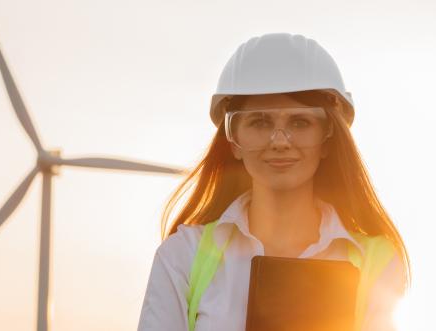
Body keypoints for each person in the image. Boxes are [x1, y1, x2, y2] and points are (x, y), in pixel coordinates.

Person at [138, 32, 410, 331]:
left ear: (328, 140)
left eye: (300, 122)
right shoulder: (182, 255)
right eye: (260, 122)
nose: (280, 141)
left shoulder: (378, 262)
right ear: (233, 141)